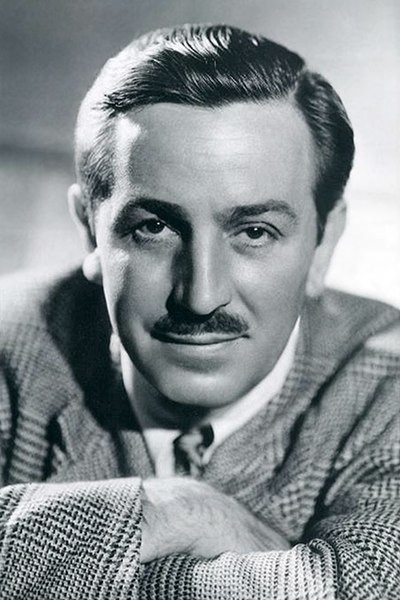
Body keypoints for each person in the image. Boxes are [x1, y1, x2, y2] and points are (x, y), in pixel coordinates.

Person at [0, 23, 399, 599]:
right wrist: (182, 509)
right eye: (154, 227)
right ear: (90, 232)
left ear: (323, 242)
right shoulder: (12, 347)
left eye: (255, 232)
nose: (201, 296)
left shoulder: (387, 388)